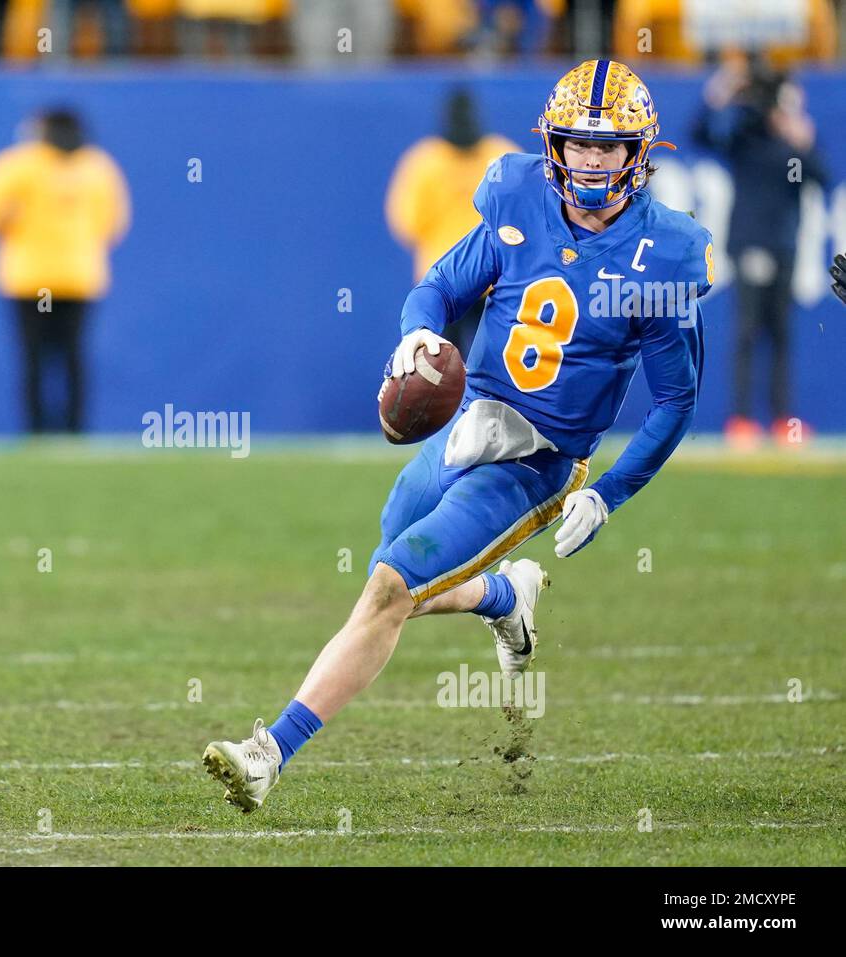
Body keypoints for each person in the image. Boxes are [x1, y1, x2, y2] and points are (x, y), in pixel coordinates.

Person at [202, 60, 713, 813]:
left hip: (537, 461)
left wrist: (607, 493)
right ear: (555, 145)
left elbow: (676, 398)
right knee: (390, 561)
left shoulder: (662, 253)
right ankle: (505, 595)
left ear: (640, 153)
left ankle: (270, 751)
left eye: (609, 148)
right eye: (578, 144)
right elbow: (439, 287)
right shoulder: (516, 197)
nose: (592, 161)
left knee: (388, 587)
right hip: (471, 423)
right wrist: (416, 335)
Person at [0, 110, 130, 433]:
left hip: (31, 279)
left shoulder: (21, 164)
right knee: (72, 358)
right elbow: (113, 220)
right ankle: (74, 430)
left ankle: (37, 431)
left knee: (34, 360)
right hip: (78, 277)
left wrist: (1, 225)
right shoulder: (97, 167)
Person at [693, 57, 829, 449]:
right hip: (751, 243)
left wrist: (800, 142)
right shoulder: (746, 137)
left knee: (781, 334)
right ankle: (741, 421)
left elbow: (820, 177)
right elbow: (701, 134)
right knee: (748, 332)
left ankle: (784, 422)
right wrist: (717, 95)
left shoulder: (794, 145)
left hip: (784, 244)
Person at [385, 89, 517, 357]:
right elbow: (522, 215)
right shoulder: (500, 155)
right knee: (494, 360)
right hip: (478, 281)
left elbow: (407, 222)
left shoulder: (425, 160)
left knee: (443, 364)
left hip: (449, 276)